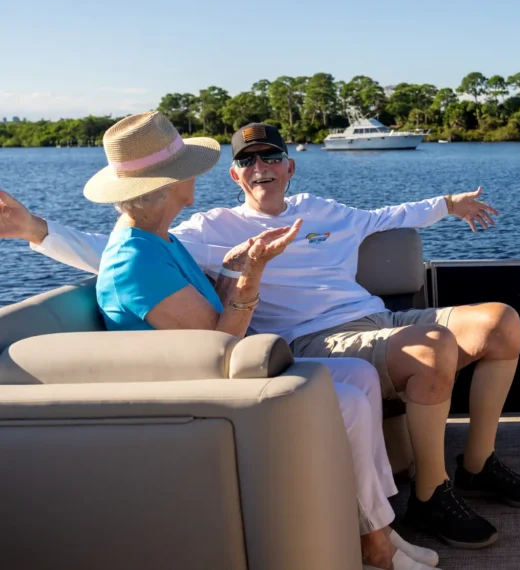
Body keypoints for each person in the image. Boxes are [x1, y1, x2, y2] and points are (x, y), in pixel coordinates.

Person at [0, 119, 520, 550]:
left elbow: (388, 215)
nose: (261, 166)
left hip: (375, 321)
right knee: (433, 347)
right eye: (247, 161)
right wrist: (35, 230)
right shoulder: (205, 231)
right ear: (235, 176)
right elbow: (117, 253)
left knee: (501, 321)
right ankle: (431, 493)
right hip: (315, 341)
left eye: (271, 157)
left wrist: (449, 205)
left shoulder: (323, 211)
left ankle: (477, 465)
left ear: (290, 168)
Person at [63, 111, 439, 570]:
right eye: (187, 168)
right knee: (346, 400)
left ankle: (378, 532)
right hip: (199, 395)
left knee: (358, 377)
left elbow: (210, 317)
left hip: (214, 369)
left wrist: (234, 266)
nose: (196, 177)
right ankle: (377, 545)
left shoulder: (157, 238)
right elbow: (219, 344)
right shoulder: (134, 261)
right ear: (168, 183)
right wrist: (255, 271)